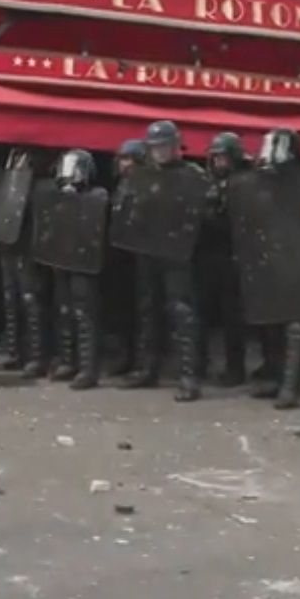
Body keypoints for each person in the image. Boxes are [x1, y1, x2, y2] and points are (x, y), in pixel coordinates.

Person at [230, 128, 300, 410]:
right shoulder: (258, 182)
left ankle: (289, 386)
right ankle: (278, 378)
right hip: (271, 257)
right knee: (273, 321)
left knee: (296, 323)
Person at [119, 121, 208, 402]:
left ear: (175, 146)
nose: (159, 152)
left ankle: (188, 377)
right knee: (147, 310)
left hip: (178, 255)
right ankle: (148, 368)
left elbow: (205, 215)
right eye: (155, 147)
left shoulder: (194, 176)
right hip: (148, 251)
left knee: (182, 313)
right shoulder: (142, 176)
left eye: (164, 146)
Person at [31, 149, 109, 390]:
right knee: (63, 309)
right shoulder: (52, 195)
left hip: (84, 261)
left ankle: (87, 368)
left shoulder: (97, 197)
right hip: (61, 257)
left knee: (84, 314)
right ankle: (68, 360)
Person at [196, 132, 250, 387]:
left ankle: (235, 368)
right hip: (207, 255)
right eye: (215, 157)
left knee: (233, 317)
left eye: (223, 157)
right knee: (201, 313)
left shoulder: (245, 182)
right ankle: (198, 364)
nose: (219, 162)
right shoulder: (206, 182)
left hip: (234, 255)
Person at [0, 148, 44, 374]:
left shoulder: (36, 176)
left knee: (30, 300)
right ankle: (13, 350)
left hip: (26, 244)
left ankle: (36, 355)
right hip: (8, 240)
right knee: (10, 298)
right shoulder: (7, 166)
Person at [105, 140, 146, 377]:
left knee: (143, 312)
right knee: (122, 312)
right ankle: (125, 356)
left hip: (141, 255)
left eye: (130, 159)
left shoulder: (147, 185)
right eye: (122, 159)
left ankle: (142, 361)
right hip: (120, 255)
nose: (125, 164)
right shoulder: (119, 186)